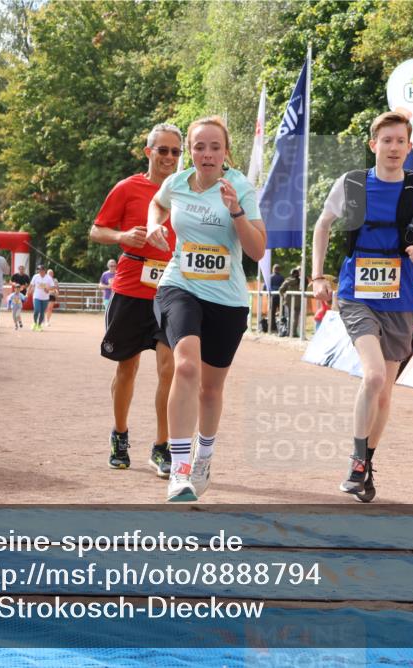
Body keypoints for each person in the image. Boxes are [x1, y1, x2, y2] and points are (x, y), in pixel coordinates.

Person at [311, 110, 413, 502]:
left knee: (385, 393)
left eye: (400, 141)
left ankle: (367, 463)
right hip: (357, 294)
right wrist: (318, 276)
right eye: (386, 140)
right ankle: (357, 461)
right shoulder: (352, 183)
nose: (393, 147)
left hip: (400, 298)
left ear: (409, 147)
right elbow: (323, 225)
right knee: (373, 376)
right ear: (374, 144)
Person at [145, 116, 265, 502]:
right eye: (199, 147)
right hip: (180, 285)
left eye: (215, 147)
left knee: (211, 389)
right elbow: (157, 203)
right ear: (190, 151)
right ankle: (179, 470)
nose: (207, 154)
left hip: (227, 299)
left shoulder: (240, 187)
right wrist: (154, 225)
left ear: (226, 152)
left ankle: (203, 459)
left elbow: (257, 250)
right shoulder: (177, 183)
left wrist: (236, 212)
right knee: (185, 367)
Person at [90, 123, 183, 476]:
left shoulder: (187, 190)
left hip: (173, 290)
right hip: (132, 287)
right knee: (126, 368)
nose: (169, 157)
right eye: (163, 150)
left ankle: (162, 447)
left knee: (169, 369)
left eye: (176, 151)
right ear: (149, 152)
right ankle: (120, 435)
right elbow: (96, 230)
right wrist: (122, 236)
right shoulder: (127, 188)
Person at [277, 267, 302, 337]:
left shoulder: (287, 281)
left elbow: (281, 290)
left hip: (288, 302)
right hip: (298, 302)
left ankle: (288, 332)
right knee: (296, 318)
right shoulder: (301, 281)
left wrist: (283, 297)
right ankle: (294, 332)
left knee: (289, 317)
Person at [29, 265, 53, 331]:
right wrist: (27, 293)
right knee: (37, 310)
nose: (40, 271)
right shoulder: (35, 276)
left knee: (42, 312)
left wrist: (48, 289)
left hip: (45, 298)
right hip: (36, 297)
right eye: (39, 270)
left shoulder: (48, 278)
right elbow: (31, 285)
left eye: (41, 270)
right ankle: (34, 323)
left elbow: (53, 286)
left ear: (44, 270)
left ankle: (39, 325)